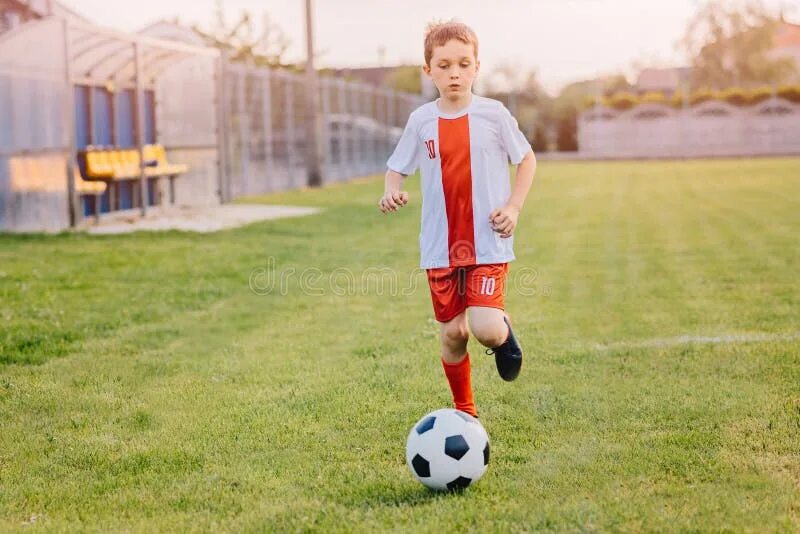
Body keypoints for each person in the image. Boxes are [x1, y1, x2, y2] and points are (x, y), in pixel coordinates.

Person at [378, 20, 537, 418]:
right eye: (444, 65)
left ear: (477, 67)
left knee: (483, 327)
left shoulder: (493, 114)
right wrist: (391, 190)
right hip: (440, 245)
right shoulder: (421, 121)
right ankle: (467, 413)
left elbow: (526, 159)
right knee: (452, 334)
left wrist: (514, 206)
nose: (455, 73)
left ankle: (501, 330)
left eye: (464, 64)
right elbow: (396, 168)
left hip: (487, 239)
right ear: (427, 70)